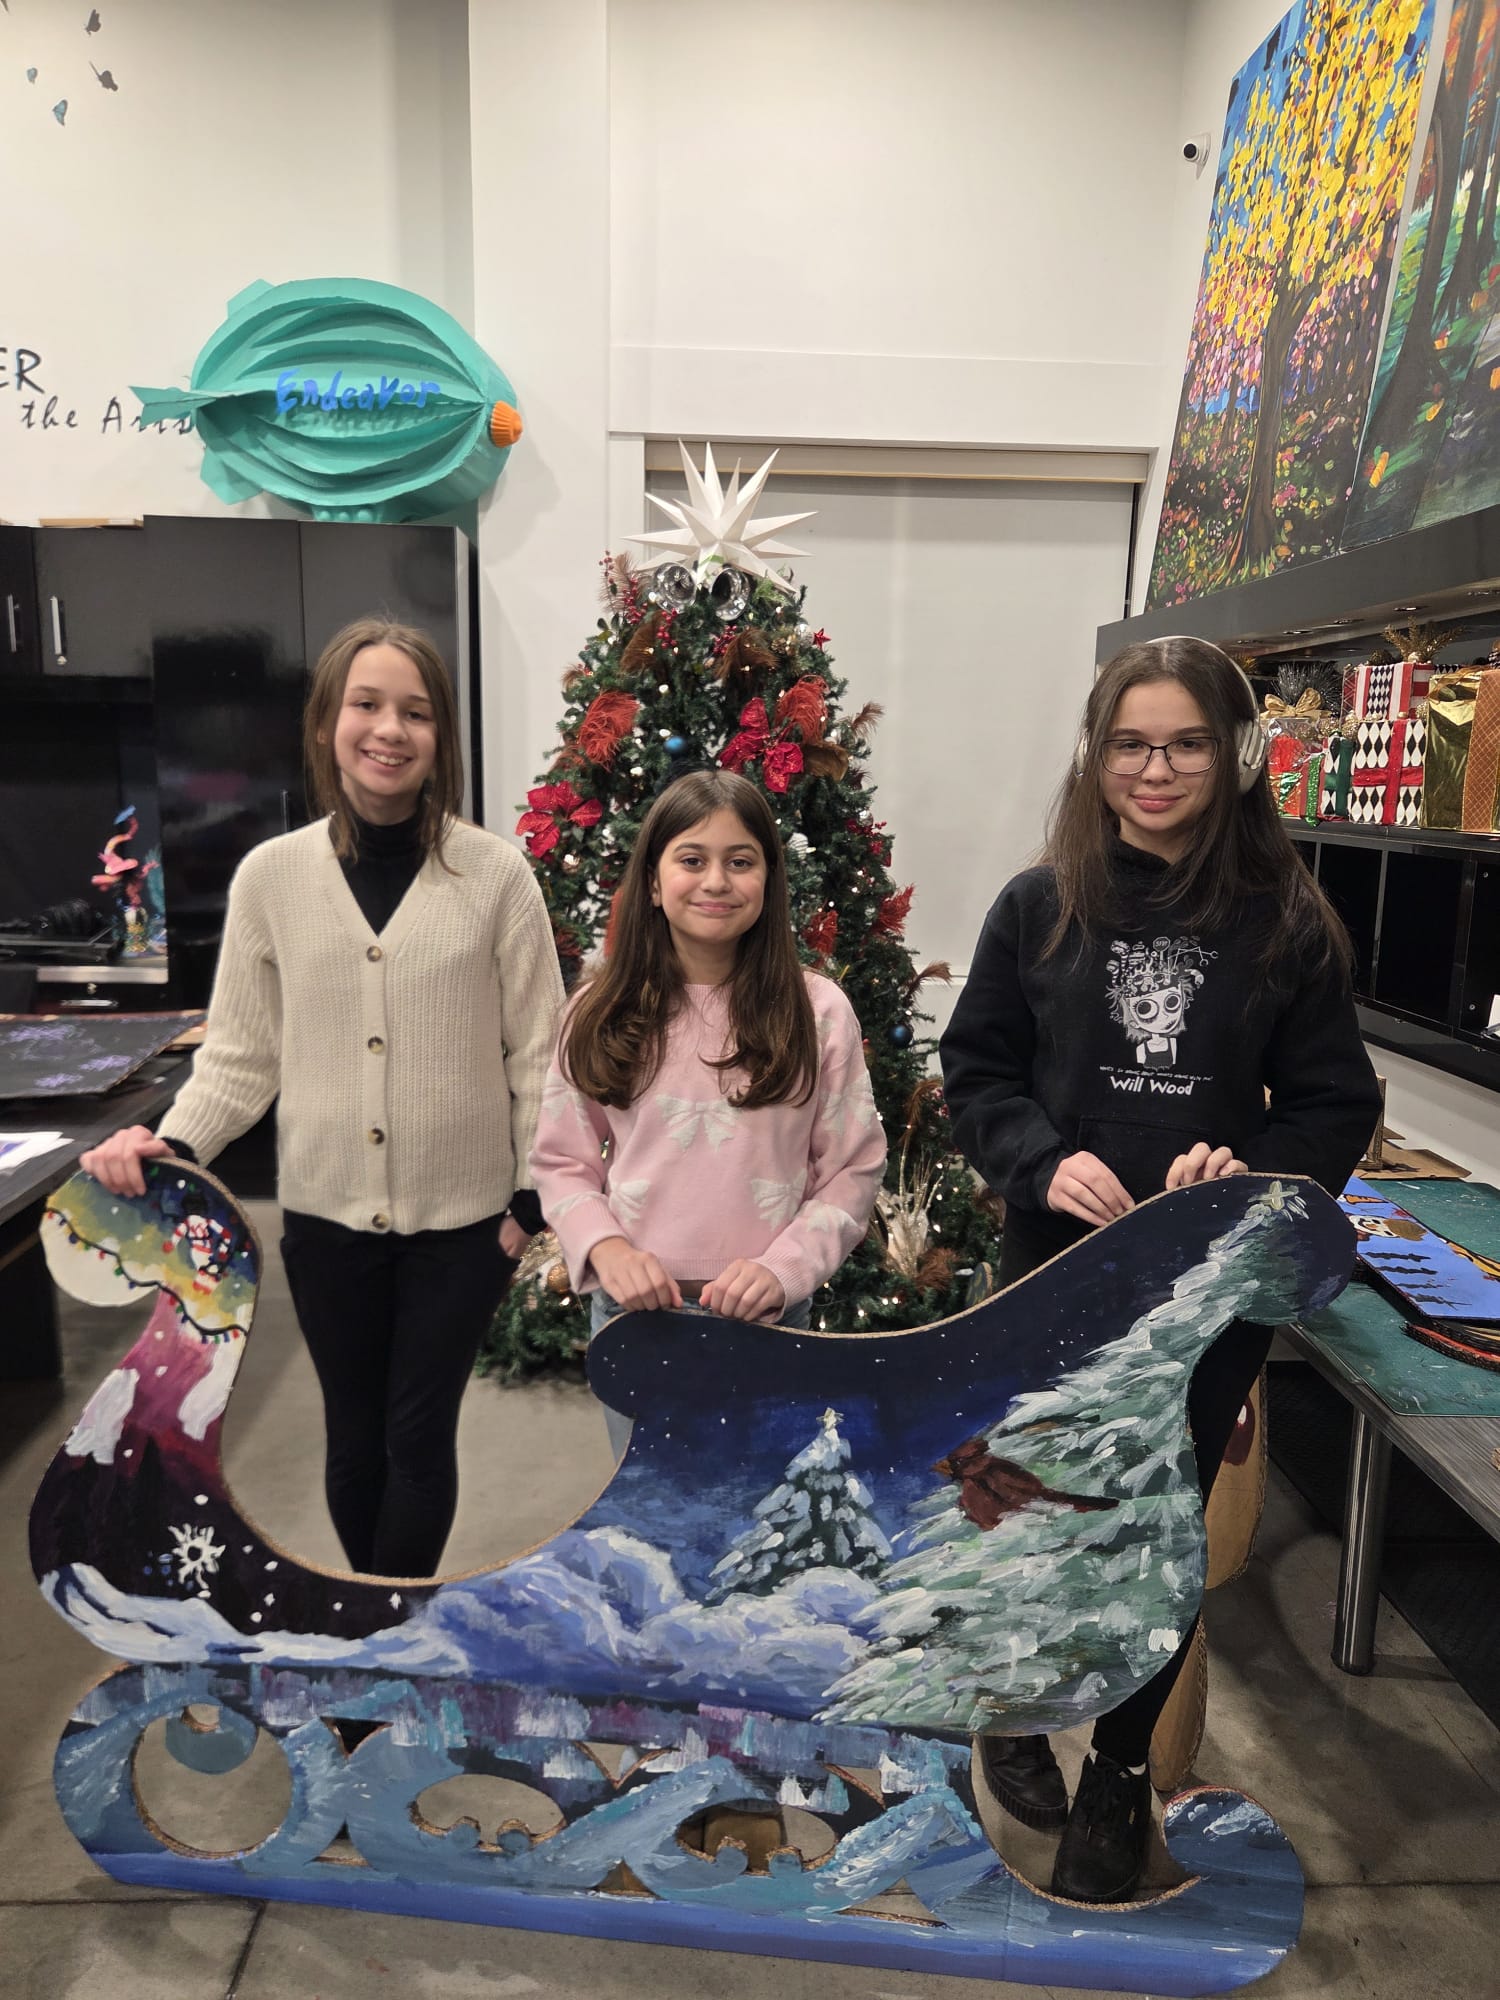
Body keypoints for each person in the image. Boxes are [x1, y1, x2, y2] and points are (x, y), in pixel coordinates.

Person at [940, 635, 1381, 1904]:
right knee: (1028, 1504)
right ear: (1096, 753)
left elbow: (1336, 1102)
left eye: (1187, 742)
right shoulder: (1038, 905)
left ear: (1234, 754)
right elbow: (976, 1072)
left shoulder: (1286, 920)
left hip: (1204, 1294)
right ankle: (1013, 1707)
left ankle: (1120, 1771)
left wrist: (1245, 1172)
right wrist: (1040, 1160)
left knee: (1156, 1532)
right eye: (1130, 742)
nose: (1156, 768)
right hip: (1053, 1275)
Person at [82, 617, 563, 1579]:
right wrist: (175, 1144)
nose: (390, 729)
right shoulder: (273, 879)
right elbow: (242, 1055)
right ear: (325, 724)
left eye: (416, 712)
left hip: (464, 1225)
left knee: (417, 1435)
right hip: (326, 1217)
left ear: (441, 736)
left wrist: (530, 1200)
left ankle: (390, 1624)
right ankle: (371, 1627)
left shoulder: (495, 876)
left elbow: (542, 1053)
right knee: (353, 1432)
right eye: (366, 704)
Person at [529, 769, 887, 1454]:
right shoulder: (597, 1011)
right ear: (653, 883)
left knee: (763, 1502)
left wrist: (783, 1269)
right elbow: (560, 1162)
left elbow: (853, 1168)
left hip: (770, 1319)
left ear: (769, 880)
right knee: (653, 1500)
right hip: (636, 1320)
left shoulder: (818, 1012)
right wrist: (606, 1248)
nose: (716, 882)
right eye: (692, 860)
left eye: (740, 862)